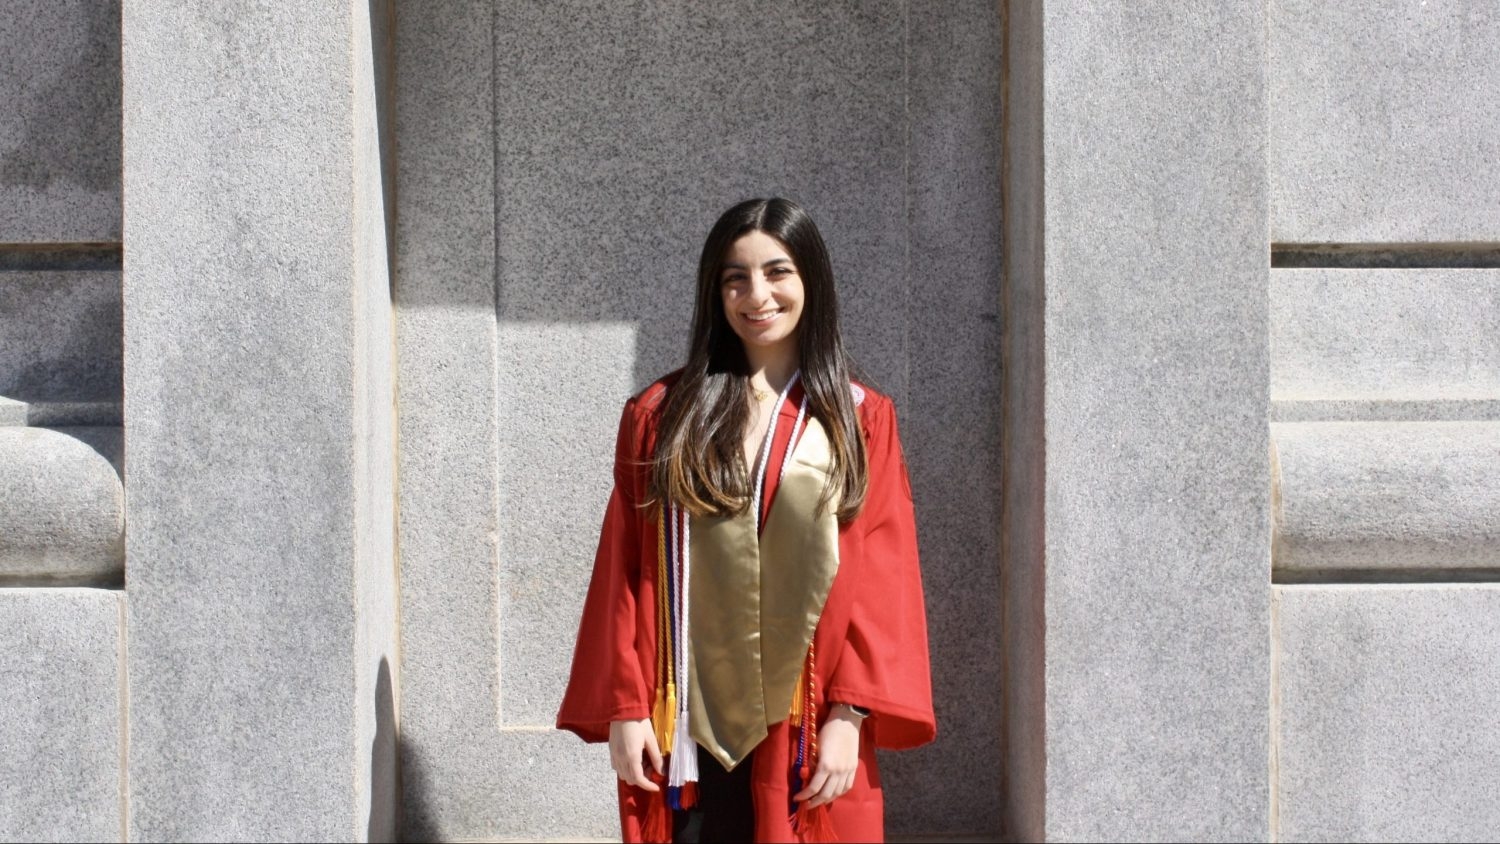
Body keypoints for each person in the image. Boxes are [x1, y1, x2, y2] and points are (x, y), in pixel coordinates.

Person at [557, 197, 935, 843]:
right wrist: (624, 706)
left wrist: (851, 714)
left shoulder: (859, 420)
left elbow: (884, 574)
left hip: (805, 720)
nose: (756, 294)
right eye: (736, 277)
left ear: (810, 280)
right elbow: (622, 568)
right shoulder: (662, 415)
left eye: (777, 272)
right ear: (716, 291)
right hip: (684, 725)